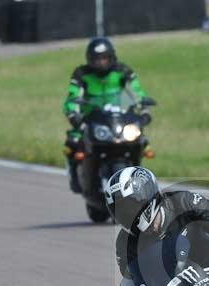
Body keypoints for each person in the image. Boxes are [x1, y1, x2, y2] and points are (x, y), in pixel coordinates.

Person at [62, 37, 151, 194]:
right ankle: (75, 178)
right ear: (90, 60)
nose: (101, 62)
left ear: (111, 57)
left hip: (118, 120)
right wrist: (73, 115)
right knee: (73, 142)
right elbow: (72, 97)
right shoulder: (81, 75)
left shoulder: (122, 71)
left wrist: (144, 111)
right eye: (97, 59)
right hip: (91, 121)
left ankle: (139, 176)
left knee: (141, 141)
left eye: (104, 58)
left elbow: (136, 92)